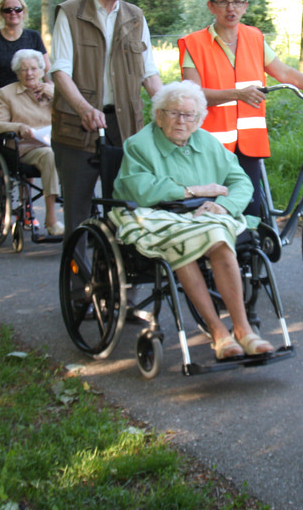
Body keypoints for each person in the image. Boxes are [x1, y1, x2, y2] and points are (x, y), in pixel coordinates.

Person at [111, 81, 274, 360]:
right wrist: (193, 190)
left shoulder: (207, 142)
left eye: (189, 115)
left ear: (198, 120)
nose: (181, 121)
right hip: (155, 214)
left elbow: (241, 182)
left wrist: (224, 206)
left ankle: (243, 329)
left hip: (205, 215)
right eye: (173, 113)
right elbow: (139, 190)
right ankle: (218, 332)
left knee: (219, 237)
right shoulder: (139, 145)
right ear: (159, 115)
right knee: (183, 242)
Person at [180, 0, 303, 216]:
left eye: (237, 2)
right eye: (223, 2)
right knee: (214, 208)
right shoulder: (194, 43)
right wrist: (237, 94)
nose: (231, 8)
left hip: (249, 143)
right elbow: (192, 94)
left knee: (250, 206)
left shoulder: (254, 38)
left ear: (245, 6)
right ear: (211, 6)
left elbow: (284, 73)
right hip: (210, 145)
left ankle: (251, 240)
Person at [49, 0, 162, 240]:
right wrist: (84, 108)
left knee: (126, 208)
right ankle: (76, 269)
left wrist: (168, 109)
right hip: (77, 126)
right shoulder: (70, 13)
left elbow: (149, 72)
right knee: (77, 212)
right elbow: (60, 71)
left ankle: (116, 269)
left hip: (124, 126)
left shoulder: (135, 16)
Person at [0, 49, 62, 236]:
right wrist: (18, 127)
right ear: (17, 72)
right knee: (49, 155)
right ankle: (51, 219)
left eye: (33, 68)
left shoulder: (54, 91)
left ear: (42, 70)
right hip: (27, 148)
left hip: (56, 144)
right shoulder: (6, 93)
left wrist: (56, 95)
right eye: (24, 69)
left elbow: (72, 116)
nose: (29, 73)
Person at [0, 0, 49, 143]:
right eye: (8, 10)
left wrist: (50, 88)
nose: (13, 13)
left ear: (24, 11)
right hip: (0, 96)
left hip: (29, 96)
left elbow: (47, 69)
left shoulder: (34, 37)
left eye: (17, 9)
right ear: (1, 13)